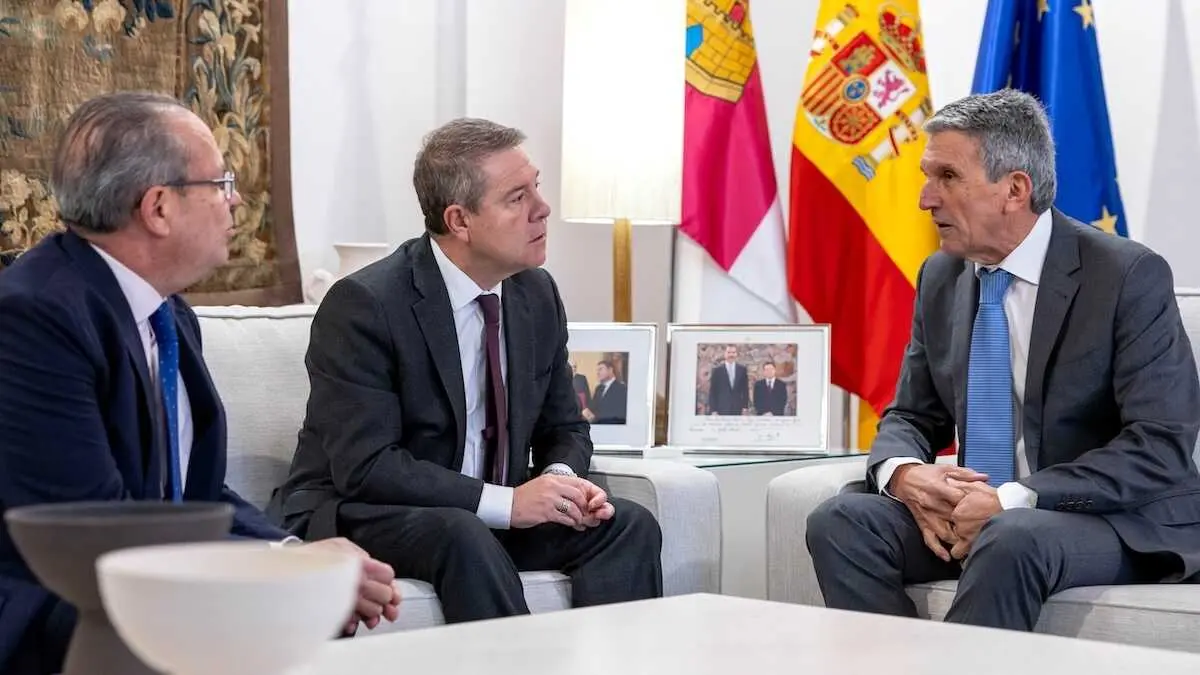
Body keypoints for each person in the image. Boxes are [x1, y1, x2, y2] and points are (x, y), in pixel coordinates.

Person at [0, 92, 400, 675]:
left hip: (147, 595)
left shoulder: (169, 313)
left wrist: (294, 554)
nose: (235, 199)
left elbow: (193, 493)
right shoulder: (36, 318)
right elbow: (93, 525)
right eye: (219, 182)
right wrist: (279, 572)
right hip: (60, 616)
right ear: (159, 207)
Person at [805, 89, 1200, 631]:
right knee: (842, 520)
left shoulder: (1125, 276)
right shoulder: (941, 277)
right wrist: (905, 474)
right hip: (980, 518)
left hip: (1109, 518)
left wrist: (1012, 499)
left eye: (947, 177)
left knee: (1011, 535)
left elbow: (1160, 444)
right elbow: (911, 415)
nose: (925, 198)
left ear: (1015, 189)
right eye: (927, 175)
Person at [268, 117, 663, 623]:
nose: (543, 210)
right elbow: (367, 467)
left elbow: (564, 427)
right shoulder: (365, 305)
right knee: (462, 532)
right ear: (460, 221)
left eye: (536, 188)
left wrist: (560, 483)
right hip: (366, 511)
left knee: (629, 524)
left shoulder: (535, 293)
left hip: (480, 513)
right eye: (517, 198)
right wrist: (508, 503)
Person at [583, 360, 627, 425]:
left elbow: (619, 414)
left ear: (610, 370)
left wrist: (595, 418)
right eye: (597, 370)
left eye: (600, 369)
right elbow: (593, 406)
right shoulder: (598, 388)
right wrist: (587, 411)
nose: (597, 372)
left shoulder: (621, 388)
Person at [708, 345, 749, 415]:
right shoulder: (717, 371)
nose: (731, 355)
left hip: (737, 409)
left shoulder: (742, 370)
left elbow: (745, 390)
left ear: (736, 354)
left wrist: (745, 407)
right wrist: (713, 410)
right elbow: (713, 391)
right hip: (721, 409)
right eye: (729, 352)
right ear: (725, 354)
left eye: (733, 352)